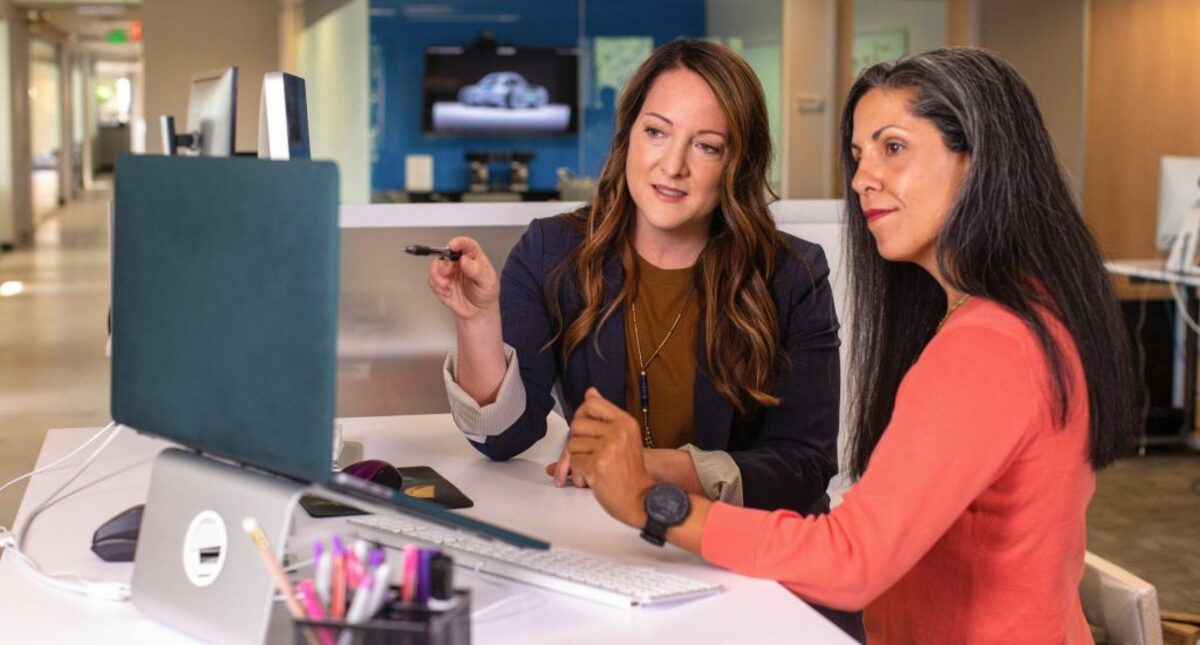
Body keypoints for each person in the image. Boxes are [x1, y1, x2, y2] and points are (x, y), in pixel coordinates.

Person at [565, 47, 1139, 643]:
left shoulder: (990, 346)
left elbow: (852, 563)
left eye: (894, 148)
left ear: (978, 161)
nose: (863, 178)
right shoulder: (1028, 309)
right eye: (860, 155)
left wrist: (650, 503)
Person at [426, 39, 861, 638]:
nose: (672, 166)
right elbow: (504, 438)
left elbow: (805, 467)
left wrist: (648, 471)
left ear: (738, 163)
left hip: (752, 569)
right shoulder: (553, 251)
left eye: (705, 146)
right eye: (657, 132)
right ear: (628, 134)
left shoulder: (792, 273)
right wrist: (476, 320)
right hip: (618, 561)